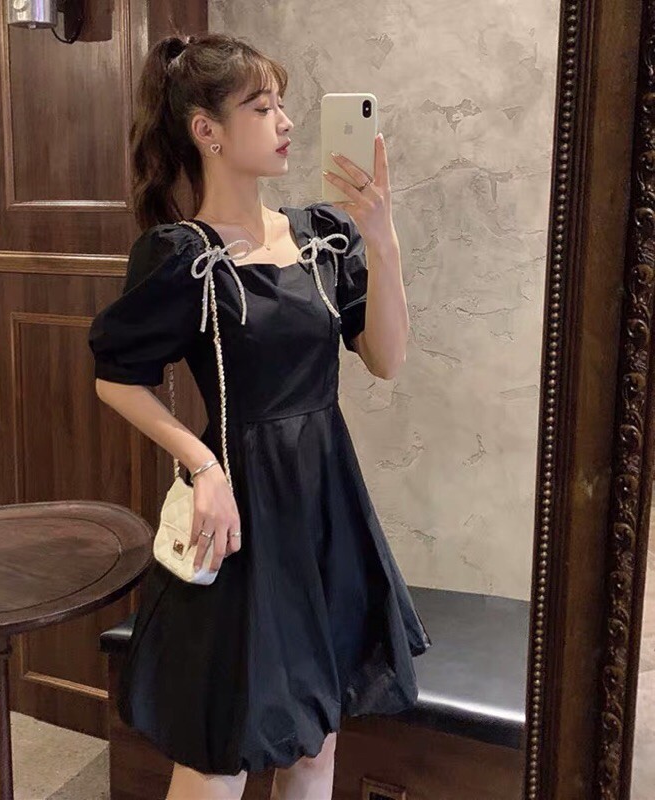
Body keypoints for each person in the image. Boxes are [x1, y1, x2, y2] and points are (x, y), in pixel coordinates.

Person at [88, 31, 432, 800]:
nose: (285, 121)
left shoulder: (321, 238)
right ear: (207, 131)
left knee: (314, 746)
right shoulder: (183, 255)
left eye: (282, 104)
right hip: (244, 515)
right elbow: (116, 379)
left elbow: (386, 358)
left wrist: (381, 237)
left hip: (326, 508)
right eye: (261, 106)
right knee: (223, 753)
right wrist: (202, 465)